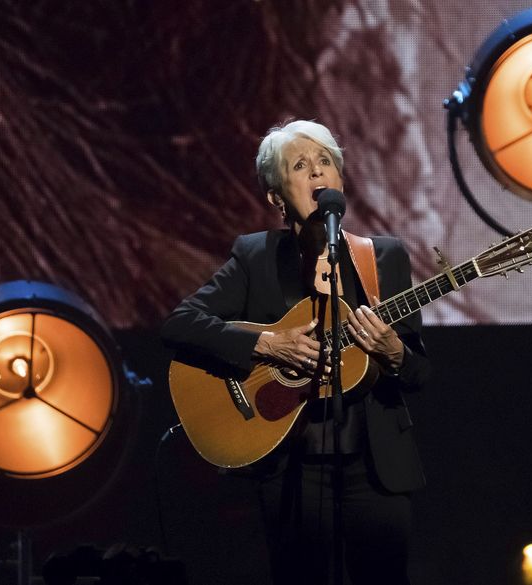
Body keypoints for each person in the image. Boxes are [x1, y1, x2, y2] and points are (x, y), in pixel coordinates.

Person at [160, 120, 431, 584]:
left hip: (376, 469)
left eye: (326, 162)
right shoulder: (256, 257)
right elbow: (179, 325)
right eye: (300, 166)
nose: (317, 173)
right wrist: (268, 343)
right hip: (293, 471)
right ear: (276, 195)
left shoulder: (383, 258)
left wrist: (394, 354)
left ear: (340, 182)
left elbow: (419, 373)